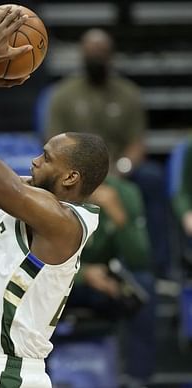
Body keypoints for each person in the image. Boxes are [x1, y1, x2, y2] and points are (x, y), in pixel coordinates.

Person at [0, 7, 109, 387]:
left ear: (70, 177)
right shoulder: (32, 199)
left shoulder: (59, 220)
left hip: (8, 373)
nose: (33, 160)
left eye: (46, 157)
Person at [45, 28, 170, 275]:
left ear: (111, 56)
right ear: (81, 55)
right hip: (75, 172)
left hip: (119, 168)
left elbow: (137, 142)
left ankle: (158, 268)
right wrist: (81, 175)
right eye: (91, 53)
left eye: (101, 53)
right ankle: (67, 267)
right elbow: (52, 144)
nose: (96, 58)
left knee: (153, 178)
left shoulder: (128, 93)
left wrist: (120, 169)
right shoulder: (63, 95)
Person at [68, 176, 156, 384]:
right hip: (60, 279)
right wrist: (83, 274)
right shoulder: (54, 192)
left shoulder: (124, 193)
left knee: (143, 284)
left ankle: (137, 377)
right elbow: (35, 256)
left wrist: (118, 216)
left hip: (104, 280)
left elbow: (140, 259)